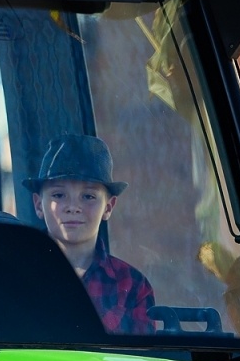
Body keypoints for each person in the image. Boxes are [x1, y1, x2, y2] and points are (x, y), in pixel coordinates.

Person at [25, 133, 156, 334]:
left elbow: (140, 353)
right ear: (38, 205)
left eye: (88, 196)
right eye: (59, 195)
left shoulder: (132, 284)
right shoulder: (17, 272)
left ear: (108, 207)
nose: (73, 207)